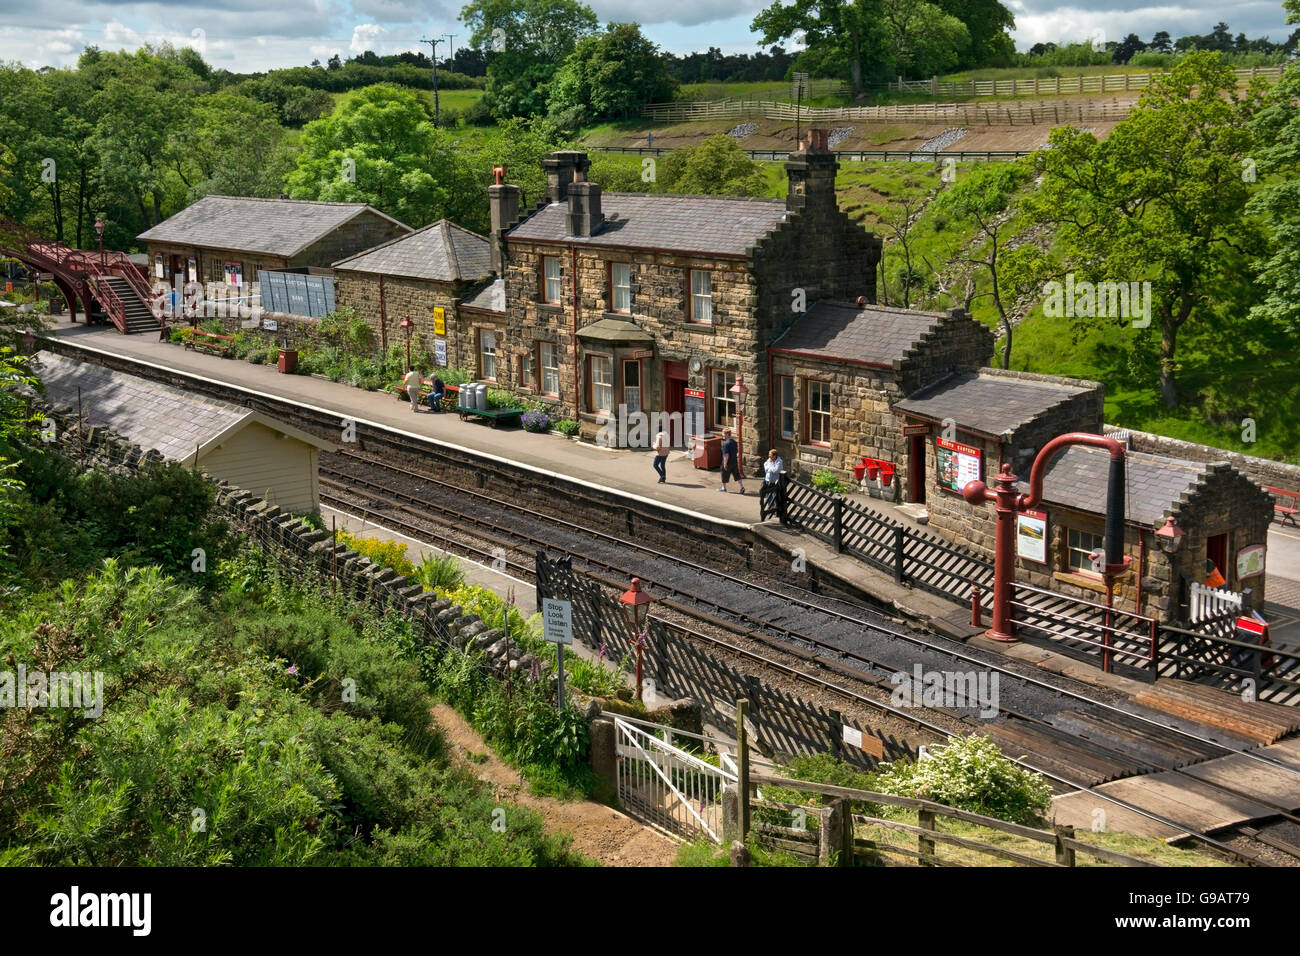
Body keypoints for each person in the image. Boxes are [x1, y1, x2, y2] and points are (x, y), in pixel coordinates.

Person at [718, 427, 746, 495]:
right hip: (734, 462)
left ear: (727, 434)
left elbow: (726, 455)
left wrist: (725, 464)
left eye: (723, 434)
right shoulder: (734, 442)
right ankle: (741, 487)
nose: (722, 435)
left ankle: (724, 488)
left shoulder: (726, 444)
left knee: (724, 474)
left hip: (728, 462)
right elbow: (736, 452)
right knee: (737, 475)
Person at [762, 449, 785, 520]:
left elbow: (776, 470)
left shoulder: (779, 461)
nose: (769, 457)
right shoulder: (769, 460)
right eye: (769, 456)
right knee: (768, 495)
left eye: (771, 456)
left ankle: (776, 510)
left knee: (775, 495)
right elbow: (765, 467)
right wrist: (770, 468)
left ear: (775, 456)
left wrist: (769, 468)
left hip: (775, 481)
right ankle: (770, 508)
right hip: (768, 480)